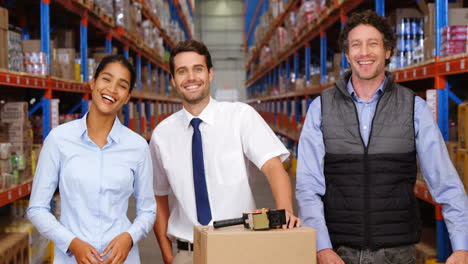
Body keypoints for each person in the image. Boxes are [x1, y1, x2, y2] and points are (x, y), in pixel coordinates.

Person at [296, 10, 468, 264]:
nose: (364, 52)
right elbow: (308, 187)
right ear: (347, 54)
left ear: (388, 51)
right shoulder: (321, 108)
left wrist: (462, 247)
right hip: (338, 254)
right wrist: (321, 247)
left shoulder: (413, 107)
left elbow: (446, 183)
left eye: (373, 43)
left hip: (397, 254)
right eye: (356, 45)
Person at [149, 39, 301, 264]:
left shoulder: (240, 116)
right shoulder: (162, 135)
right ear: (173, 80)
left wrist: (285, 211)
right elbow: (158, 195)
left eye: (197, 69)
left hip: (240, 248)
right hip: (188, 251)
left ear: (210, 74)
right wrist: (167, 254)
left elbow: (273, 167)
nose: (191, 77)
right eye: (182, 71)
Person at [27, 55, 156, 264]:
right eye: (106, 79)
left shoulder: (137, 147)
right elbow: (37, 209)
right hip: (71, 259)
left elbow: (148, 210)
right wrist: (72, 243)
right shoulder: (59, 139)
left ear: (127, 97)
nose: (112, 90)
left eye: (121, 85)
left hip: (121, 259)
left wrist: (129, 238)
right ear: (93, 82)